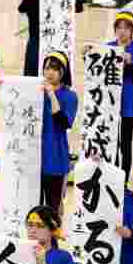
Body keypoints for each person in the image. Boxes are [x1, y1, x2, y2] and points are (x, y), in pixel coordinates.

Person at [108, 12, 133, 179]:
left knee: (125, 143)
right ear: (115, 30)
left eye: (126, 27)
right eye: (119, 27)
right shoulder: (108, 47)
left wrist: (130, 63)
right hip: (109, 104)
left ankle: (122, 181)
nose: (122, 31)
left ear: (132, 30)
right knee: (110, 142)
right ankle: (109, 177)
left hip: (129, 105)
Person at [39, 51, 79, 215]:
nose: (50, 72)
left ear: (63, 72)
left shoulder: (70, 96)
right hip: (33, 158)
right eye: (47, 68)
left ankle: (52, 240)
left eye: (55, 68)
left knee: (52, 209)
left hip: (55, 158)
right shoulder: (35, 91)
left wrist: (51, 94)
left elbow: (63, 122)